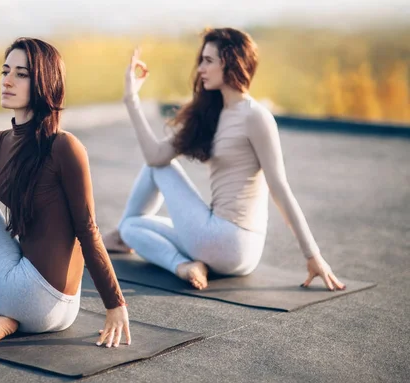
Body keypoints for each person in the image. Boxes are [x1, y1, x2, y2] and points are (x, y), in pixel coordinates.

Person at [0, 37, 130, 347]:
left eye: (21, 73)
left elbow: (88, 231)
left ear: (44, 82)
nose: (8, 80)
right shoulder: (1, 142)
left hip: (29, 292)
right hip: (64, 311)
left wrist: (116, 305)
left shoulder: (62, 146)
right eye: (6, 71)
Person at [104, 28, 346, 292]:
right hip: (242, 254)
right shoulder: (211, 113)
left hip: (224, 238)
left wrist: (313, 255)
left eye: (208, 61)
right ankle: (152, 249)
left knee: (156, 176)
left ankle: (176, 263)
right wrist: (131, 98)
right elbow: (155, 155)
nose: (200, 69)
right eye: (201, 61)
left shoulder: (255, 116)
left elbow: (280, 188)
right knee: (132, 226)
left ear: (230, 62)